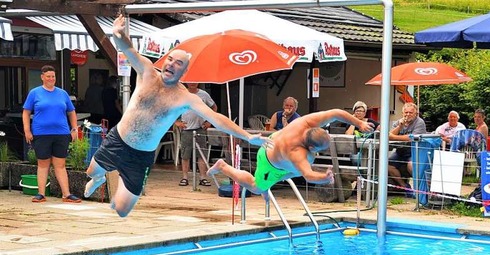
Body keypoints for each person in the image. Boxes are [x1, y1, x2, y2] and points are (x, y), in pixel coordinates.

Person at [84, 15, 270, 217]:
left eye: (178, 63)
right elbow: (127, 48)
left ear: (185, 71)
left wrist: (247, 136)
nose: (171, 64)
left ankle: (122, 179)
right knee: (91, 172)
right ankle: (99, 178)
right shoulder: (147, 72)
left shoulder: (185, 98)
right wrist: (118, 33)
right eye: (170, 59)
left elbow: (217, 118)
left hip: (141, 156)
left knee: (121, 211)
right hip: (118, 140)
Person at [207, 109, 373, 196]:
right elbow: (308, 176)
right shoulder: (298, 154)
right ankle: (223, 166)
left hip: (274, 141)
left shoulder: (306, 122)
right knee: (256, 187)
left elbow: (336, 113)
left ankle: (269, 184)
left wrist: (359, 123)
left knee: (300, 167)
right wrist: (325, 178)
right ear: (312, 147)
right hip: (268, 161)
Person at [22, 65, 82, 204]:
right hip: (41, 133)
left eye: (53, 76)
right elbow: (26, 112)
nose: (51, 79)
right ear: (42, 77)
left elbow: (71, 111)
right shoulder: (35, 93)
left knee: (60, 164)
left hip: (61, 133)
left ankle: (66, 194)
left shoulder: (62, 93)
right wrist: (27, 130)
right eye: (48, 76)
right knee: (43, 163)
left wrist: (74, 128)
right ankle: (41, 193)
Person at [174, 82, 218, 187]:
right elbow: (172, 109)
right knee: (185, 154)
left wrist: (209, 121)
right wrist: (177, 122)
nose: (192, 83)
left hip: (200, 128)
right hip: (187, 128)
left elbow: (214, 107)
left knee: (202, 153)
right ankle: (185, 177)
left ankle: (203, 177)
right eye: (190, 81)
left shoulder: (204, 94)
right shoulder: (182, 94)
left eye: (195, 81)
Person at [388, 102, 427, 197]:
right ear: (402, 113)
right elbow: (389, 135)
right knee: (387, 165)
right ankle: (405, 187)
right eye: (406, 112)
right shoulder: (399, 122)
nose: (408, 114)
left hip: (415, 151)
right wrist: (399, 127)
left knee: (411, 165)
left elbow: (412, 138)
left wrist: (394, 137)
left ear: (416, 113)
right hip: (400, 152)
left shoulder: (420, 122)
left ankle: (419, 190)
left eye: (410, 112)